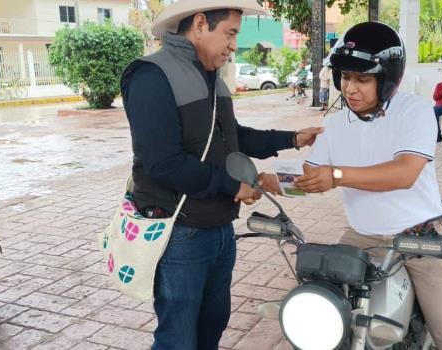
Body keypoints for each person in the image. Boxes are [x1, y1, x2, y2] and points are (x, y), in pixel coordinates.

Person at [118, 1, 323, 349]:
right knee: (178, 338)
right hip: (179, 233)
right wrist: (232, 186)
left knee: (212, 326)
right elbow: (163, 162)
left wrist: (290, 139)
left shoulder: (211, 77)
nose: (233, 45)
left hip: (219, 230)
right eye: (230, 34)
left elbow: (233, 136)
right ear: (200, 25)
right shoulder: (151, 75)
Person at [294, 22, 442, 350]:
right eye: (346, 78)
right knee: (320, 318)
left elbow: (405, 172)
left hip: (418, 238)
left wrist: (335, 176)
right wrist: (274, 181)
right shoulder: (335, 123)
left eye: (362, 79)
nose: (350, 89)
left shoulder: (414, 111)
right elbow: (311, 171)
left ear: (388, 80)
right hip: (361, 236)